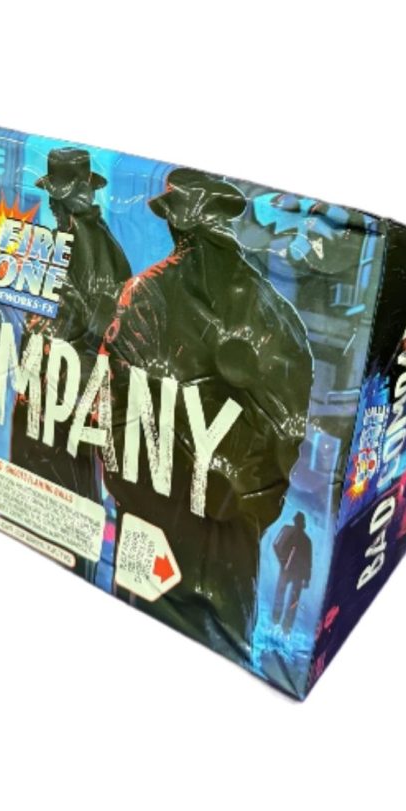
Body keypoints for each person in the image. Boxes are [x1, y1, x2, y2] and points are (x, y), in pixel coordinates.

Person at [102, 168, 314, 663]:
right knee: (226, 652)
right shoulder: (278, 313)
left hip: (155, 522)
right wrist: (245, 513)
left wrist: (140, 496)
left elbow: (112, 413)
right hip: (230, 540)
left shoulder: (147, 294)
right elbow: (289, 436)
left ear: (178, 221)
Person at [10, 148, 132, 581]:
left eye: (57, 196)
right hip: (56, 400)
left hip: (62, 403)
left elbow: (101, 327)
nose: (52, 205)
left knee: (60, 512)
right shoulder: (82, 241)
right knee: (54, 513)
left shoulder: (91, 245)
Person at [272, 511, 313, 635]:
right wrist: (282, 562)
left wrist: (307, 578)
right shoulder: (290, 531)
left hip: (295, 573)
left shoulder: (305, 540)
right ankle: (278, 621)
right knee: (283, 596)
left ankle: (285, 626)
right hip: (289, 571)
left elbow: (308, 561)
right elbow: (275, 544)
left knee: (291, 600)